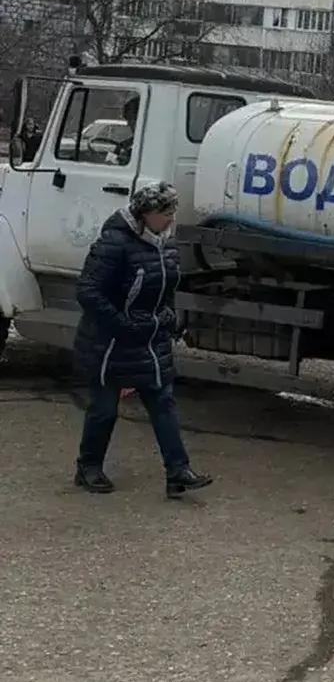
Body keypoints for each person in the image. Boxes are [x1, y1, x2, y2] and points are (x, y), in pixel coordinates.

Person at [74, 181, 214, 498]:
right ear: (146, 213)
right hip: (108, 344)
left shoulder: (166, 244)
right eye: (166, 212)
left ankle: (178, 472)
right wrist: (120, 323)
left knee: (162, 403)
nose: (171, 218)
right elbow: (88, 291)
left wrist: (171, 319)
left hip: (150, 340)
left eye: (173, 211)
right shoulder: (114, 243)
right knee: (105, 409)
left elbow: (167, 288)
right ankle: (88, 467)